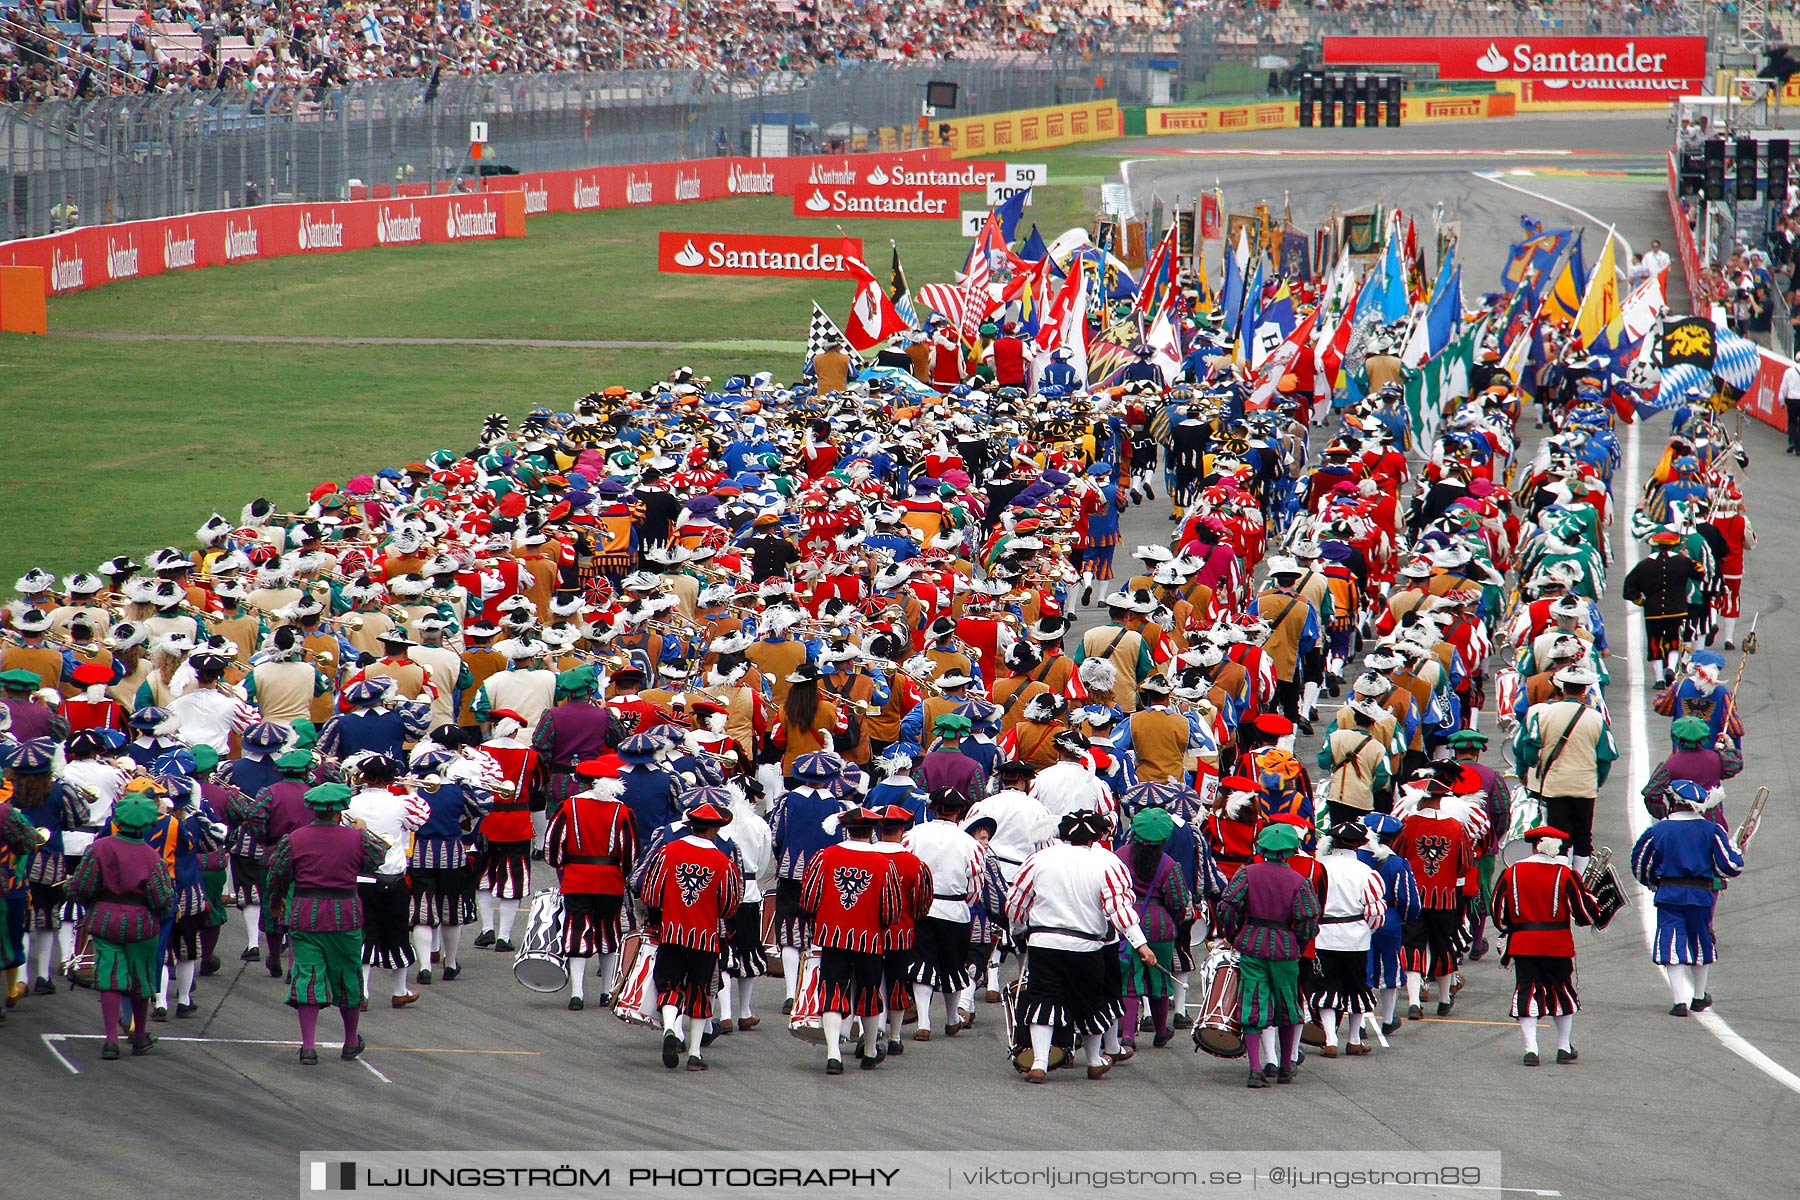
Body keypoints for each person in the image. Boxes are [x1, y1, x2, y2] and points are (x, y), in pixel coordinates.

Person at [1005, 808, 1155, 1084]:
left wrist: (1019, 929)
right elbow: (1119, 908)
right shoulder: (1108, 863)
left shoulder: (1039, 860)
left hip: (1045, 942)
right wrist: (1141, 944)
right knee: (1090, 1001)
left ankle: (1039, 1062)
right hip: (1087, 946)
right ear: (1097, 835)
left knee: (1043, 998)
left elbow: (1016, 902)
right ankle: (1095, 1060)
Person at [261, 783, 389, 1065]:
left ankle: (308, 1046)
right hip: (345, 915)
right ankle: (350, 1040)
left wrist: (276, 902)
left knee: (307, 975)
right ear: (341, 809)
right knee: (348, 975)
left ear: (313, 809)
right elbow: (378, 858)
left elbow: (277, 877)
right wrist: (363, 830)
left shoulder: (293, 839)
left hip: (306, 914)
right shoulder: (356, 838)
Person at [634, 800, 743, 1071]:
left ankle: (670, 1028)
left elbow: (650, 892)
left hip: (671, 933)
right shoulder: (723, 861)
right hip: (705, 937)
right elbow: (730, 904)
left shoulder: (667, 852)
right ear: (715, 829)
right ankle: (695, 1053)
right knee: (700, 991)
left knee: (669, 985)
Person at [1211, 822, 1321, 1087]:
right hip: (1285, 947)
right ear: (1291, 850)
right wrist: (1298, 941)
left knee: (1253, 1003)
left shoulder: (1247, 872)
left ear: (1261, 848)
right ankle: (1285, 1067)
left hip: (1251, 943)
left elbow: (1227, 907)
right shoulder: (1299, 881)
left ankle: (1255, 1069)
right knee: (1288, 1004)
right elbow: (1308, 920)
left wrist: (1233, 933)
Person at [1629, 780, 1745, 1016]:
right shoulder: (1712, 830)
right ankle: (1700, 996)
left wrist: (1652, 881)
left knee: (1671, 941)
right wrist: (1739, 851)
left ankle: (1679, 1000)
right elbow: (1730, 866)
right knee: (1700, 941)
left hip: (1669, 894)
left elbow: (1641, 864)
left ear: (1672, 801)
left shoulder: (1658, 830)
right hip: (1701, 896)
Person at [800, 805, 900, 1074]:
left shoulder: (825, 856)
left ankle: (834, 1053)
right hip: (869, 939)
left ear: (846, 828)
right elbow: (891, 910)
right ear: (872, 831)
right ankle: (869, 1050)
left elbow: (809, 899)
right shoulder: (884, 864)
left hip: (833, 936)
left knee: (832, 990)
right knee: (868, 992)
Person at [1492, 824, 1600, 1066]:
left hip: (1523, 944)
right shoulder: (1566, 874)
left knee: (1527, 990)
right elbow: (1584, 914)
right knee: (1561, 990)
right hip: (1557, 944)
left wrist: (1511, 928)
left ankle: (1531, 1049)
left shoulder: (1512, 873)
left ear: (1532, 845)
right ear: (1558, 848)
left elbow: (1498, 913)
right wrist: (1592, 898)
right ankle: (1563, 1046)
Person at [544, 759, 637, 1010]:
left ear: (583, 781)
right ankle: (606, 992)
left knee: (577, 931)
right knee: (609, 932)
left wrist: (564, 865)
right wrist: (623, 875)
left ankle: (577, 993)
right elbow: (630, 853)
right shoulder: (622, 811)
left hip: (577, 879)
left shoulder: (568, 807)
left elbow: (553, 847)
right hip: (610, 881)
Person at [1514, 664, 1617, 875]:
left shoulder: (1543, 714)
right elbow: (1606, 757)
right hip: (1585, 786)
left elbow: (1529, 750)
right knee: (1583, 837)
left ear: (1562, 687)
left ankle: (1560, 879)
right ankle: (1579, 881)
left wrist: (1534, 766)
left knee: (1558, 835)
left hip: (1554, 784)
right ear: (1585, 689)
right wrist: (1596, 780)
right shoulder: (1596, 718)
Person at [900, 788, 984, 1041]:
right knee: (953, 964)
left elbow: (903, 869)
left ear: (933, 808)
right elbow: (975, 886)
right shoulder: (970, 843)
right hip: (955, 911)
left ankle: (924, 1021)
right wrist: (963, 904)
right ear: (958, 811)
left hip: (922, 908)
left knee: (922, 961)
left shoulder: (913, 835)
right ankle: (950, 1018)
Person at [1114, 806, 1193, 1051]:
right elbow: (1179, 901)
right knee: (1159, 979)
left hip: (1126, 922)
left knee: (1129, 979)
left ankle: (1127, 1034)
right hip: (1159, 926)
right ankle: (1160, 1031)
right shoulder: (1169, 865)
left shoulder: (1119, 855)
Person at [1311, 820, 1386, 1057]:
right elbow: (1375, 913)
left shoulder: (1319, 867)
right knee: (1356, 987)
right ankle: (1354, 1039)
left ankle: (1330, 1039)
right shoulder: (1366, 872)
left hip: (1323, 937)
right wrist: (1365, 931)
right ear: (1360, 844)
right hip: (1356, 939)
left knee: (1326, 985)